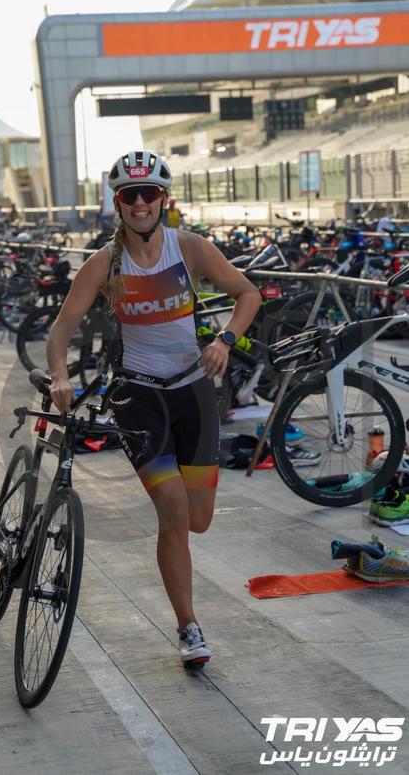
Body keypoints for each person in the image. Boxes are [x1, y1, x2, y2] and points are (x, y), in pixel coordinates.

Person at [46, 151, 261, 666]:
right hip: (138, 398)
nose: (140, 203)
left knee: (198, 519)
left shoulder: (190, 248)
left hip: (193, 392)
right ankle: (189, 627)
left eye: (149, 193)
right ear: (118, 203)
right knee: (173, 512)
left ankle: (186, 608)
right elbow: (61, 327)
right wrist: (59, 375)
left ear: (164, 198)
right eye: (130, 195)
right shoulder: (105, 263)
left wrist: (226, 340)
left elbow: (248, 293)